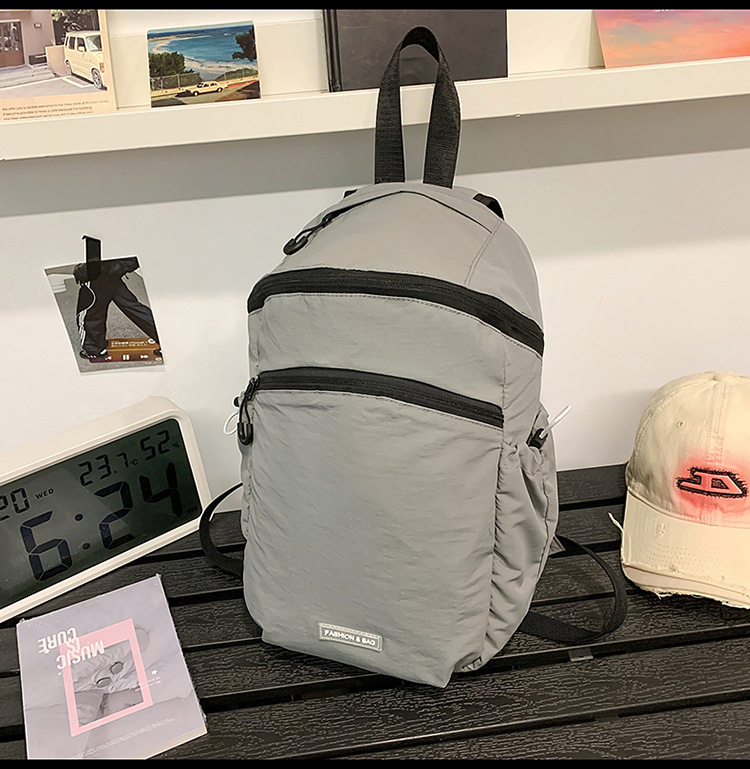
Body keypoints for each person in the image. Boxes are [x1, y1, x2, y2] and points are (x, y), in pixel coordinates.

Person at [73, 257, 161, 360]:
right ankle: (164, 338)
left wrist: (82, 270)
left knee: (90, 314)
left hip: (98, 275)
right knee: (134, 308)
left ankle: (93, 349)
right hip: (114, 273)